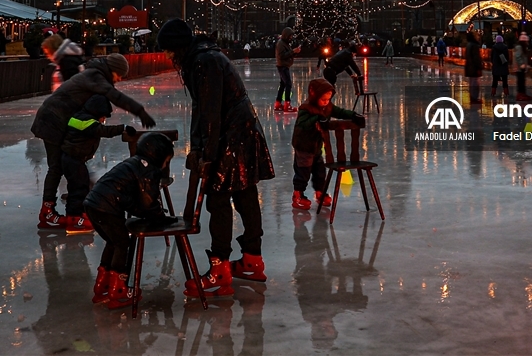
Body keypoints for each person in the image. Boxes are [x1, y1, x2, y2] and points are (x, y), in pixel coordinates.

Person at [156, 18, 275, 298]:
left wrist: (204, 154)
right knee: (245, 195)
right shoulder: (207, 55)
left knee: (219, 199)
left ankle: (220, 269)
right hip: (240, 131)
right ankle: (251, 261)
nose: (168, 56)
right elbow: (205, 109)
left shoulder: (204, 62)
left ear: (179, 46)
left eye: (170, 51)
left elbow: (208, 111)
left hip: (230, 136)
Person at [30, 53, 156, 230]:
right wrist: (140, 112)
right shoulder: (95, 76)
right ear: (112, 70)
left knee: (69, 166)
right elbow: (116, 97)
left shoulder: (94, 75)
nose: (119, 79)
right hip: (52, 120)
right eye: (119, 75)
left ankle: (71, 208)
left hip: (58, 119)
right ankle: (48, 212)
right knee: (57, 166)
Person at [84, 131, 175, 310]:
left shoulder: (133, 163)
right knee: (121, 243)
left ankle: (103, 285)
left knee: (112, 242)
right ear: (159, 155)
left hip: (93, 204)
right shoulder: (149, 170)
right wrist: (161, 218)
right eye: (167, 160)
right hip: (107, 207)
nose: (166, 164)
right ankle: (118, 289)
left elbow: (134, 201)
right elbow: (148, 202)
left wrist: (142, 211)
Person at [61, 95, 137, 234]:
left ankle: (79, 216)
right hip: (74, 160)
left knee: (81, 186)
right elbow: (103, 131)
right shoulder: (86, 122)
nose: (103, 120)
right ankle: (74, 220)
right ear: (96, 112)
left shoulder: (79, 117)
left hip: (73, 159)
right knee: (78, 190)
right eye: (103, 117)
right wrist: (123, 128)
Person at [291, 78, 365, 210]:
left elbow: (340, 112)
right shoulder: (306, 108)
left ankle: (320, 192)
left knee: (320, 171)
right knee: (303, 171)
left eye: (328, 99)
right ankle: (298, 194)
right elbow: (302, 125)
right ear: (315, 96)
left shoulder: (328, 106)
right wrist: (317, 118)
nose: (326, 102)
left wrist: (353, 115)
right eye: (323, 99)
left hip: (316, 145)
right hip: (303, 146)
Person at [274, 27, 302, 112]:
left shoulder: (285, 43)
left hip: (284, 66)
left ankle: (278, 103)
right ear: (286, 35)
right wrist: (293, 51)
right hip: (282, 67)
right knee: (288, 84)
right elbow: (282, 56)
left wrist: (295, 52)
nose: (291, 38)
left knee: (283, 84)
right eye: (290, 36)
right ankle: (287, 104)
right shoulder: (280, 44)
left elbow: (288, 55)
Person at [464, 31, 483, 103]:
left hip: (469, 67)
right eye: (477, 36)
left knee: (472, 83)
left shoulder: (469, 44)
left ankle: (472, 97)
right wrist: (479, 67)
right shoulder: (474, 45)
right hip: (474, 68)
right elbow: (476, 58)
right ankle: (474, 98)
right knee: (475, 83)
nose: (478, 37)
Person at [514, 33, 531, 102]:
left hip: (521, 68)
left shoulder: (522, 48)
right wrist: (521, 64)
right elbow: (518, 56)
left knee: (522, 80)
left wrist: (525, 65)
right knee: (520, 80)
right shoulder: (519, 47)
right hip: (519, 68)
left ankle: (522, 93)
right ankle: (520, 94)